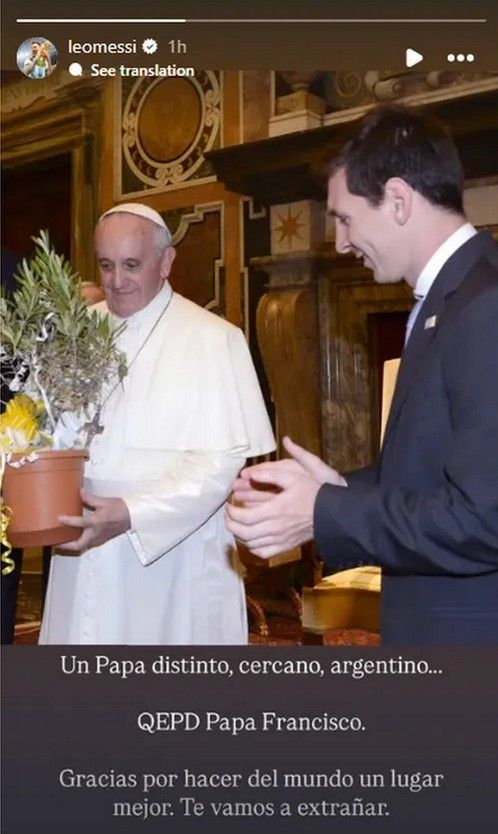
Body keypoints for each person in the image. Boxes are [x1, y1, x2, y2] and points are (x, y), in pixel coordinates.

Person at [227, 103, 498, 646]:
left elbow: (484, 519)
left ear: (397, 200)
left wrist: (325, 511)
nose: (341, 242)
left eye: (346, 218)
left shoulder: (484, 307)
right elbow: (431, 477)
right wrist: (334, 489)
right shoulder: (452, 298)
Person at [40, 202, 275, 644]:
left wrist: (132, 513)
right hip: (81, 542)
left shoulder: (213, 338)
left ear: (166, 262)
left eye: (131, 265)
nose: (116, 281)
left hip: (171, 559)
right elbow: (49, 429)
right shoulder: (78, 332)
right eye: (106, 265)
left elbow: (218, 465)